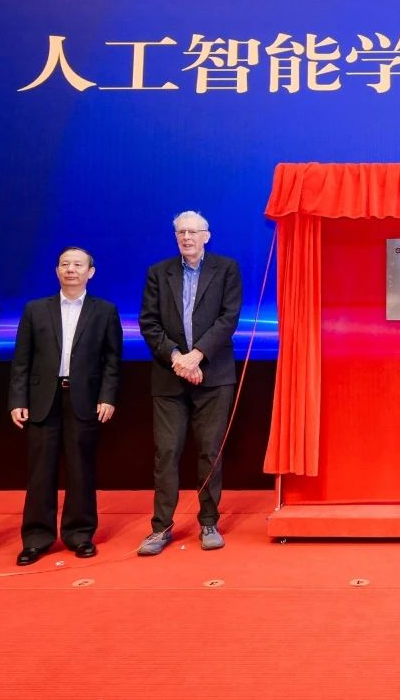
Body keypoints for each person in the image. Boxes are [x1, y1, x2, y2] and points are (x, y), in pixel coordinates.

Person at [136, 211, 242, 555]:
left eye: (193, 232)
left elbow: (228, 318)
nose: (187, 238)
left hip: (215, 375)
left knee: (210, 452)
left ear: (206, 236)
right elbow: (149, 323)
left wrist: (197, 356)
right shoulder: (158, 272)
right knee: (166, 452)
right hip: (169, 376)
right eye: (181, 232)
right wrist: (177, 359)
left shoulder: (226, 269)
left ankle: (208, 521)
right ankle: (161, 527)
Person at [8, 247, 123, 565]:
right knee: (40, 471)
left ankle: (80, 535)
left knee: (81, 469)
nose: (70, 269)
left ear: (91, 272)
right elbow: (21, 360)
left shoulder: (105, 311)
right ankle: (36, 538)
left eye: (77, 264)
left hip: (84, 398)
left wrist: (108, 396)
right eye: (64, 264)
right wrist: (17, 399)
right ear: (56, 270)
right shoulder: (35, 309)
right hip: (42, 399)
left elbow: (112, 360)